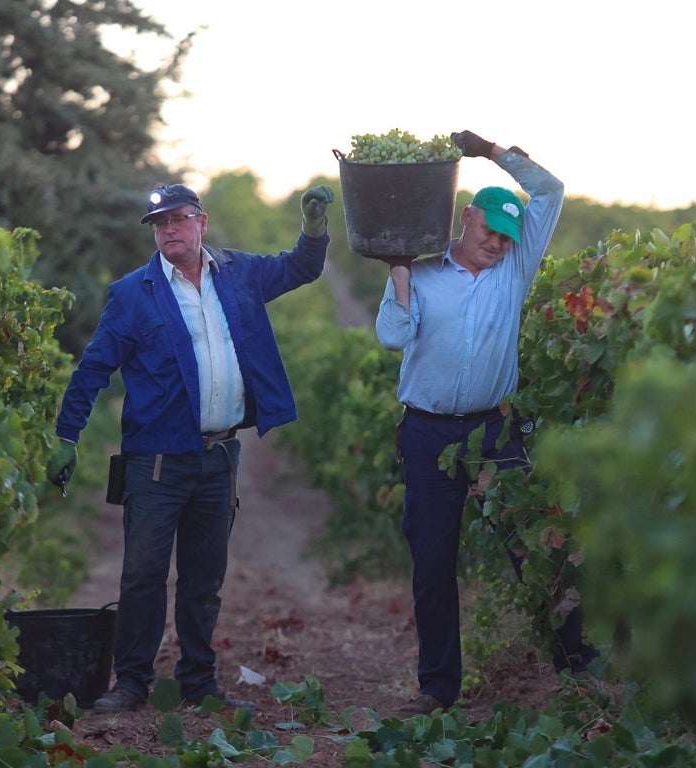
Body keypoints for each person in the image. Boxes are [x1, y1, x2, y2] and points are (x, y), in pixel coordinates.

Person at [45, 181, 335, 713]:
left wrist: (313, 230)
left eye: (178, 220)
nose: (169, 231)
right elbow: (92, 370)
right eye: (159, 224)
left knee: (205, 579)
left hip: (219, 457)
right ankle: (131, 683)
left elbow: (300, 269)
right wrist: (67, 436)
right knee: (143, 576)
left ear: (201, 222)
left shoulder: (239, 274)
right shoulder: (134, 294)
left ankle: (200, 684)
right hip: (155, 462)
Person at [375, 130, 597, 717]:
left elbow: (550, 189)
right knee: (432, 560)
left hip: (493, 433)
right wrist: (397, 271)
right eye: (488, 231)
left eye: (506, 236)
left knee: (536, 545)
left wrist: (493, 152)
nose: (497, 244)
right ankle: (438, 688)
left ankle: (580, 671)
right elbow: (392, 336)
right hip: (426, 435)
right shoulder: (420, 270)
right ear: (465, 219)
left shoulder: (514, 269)